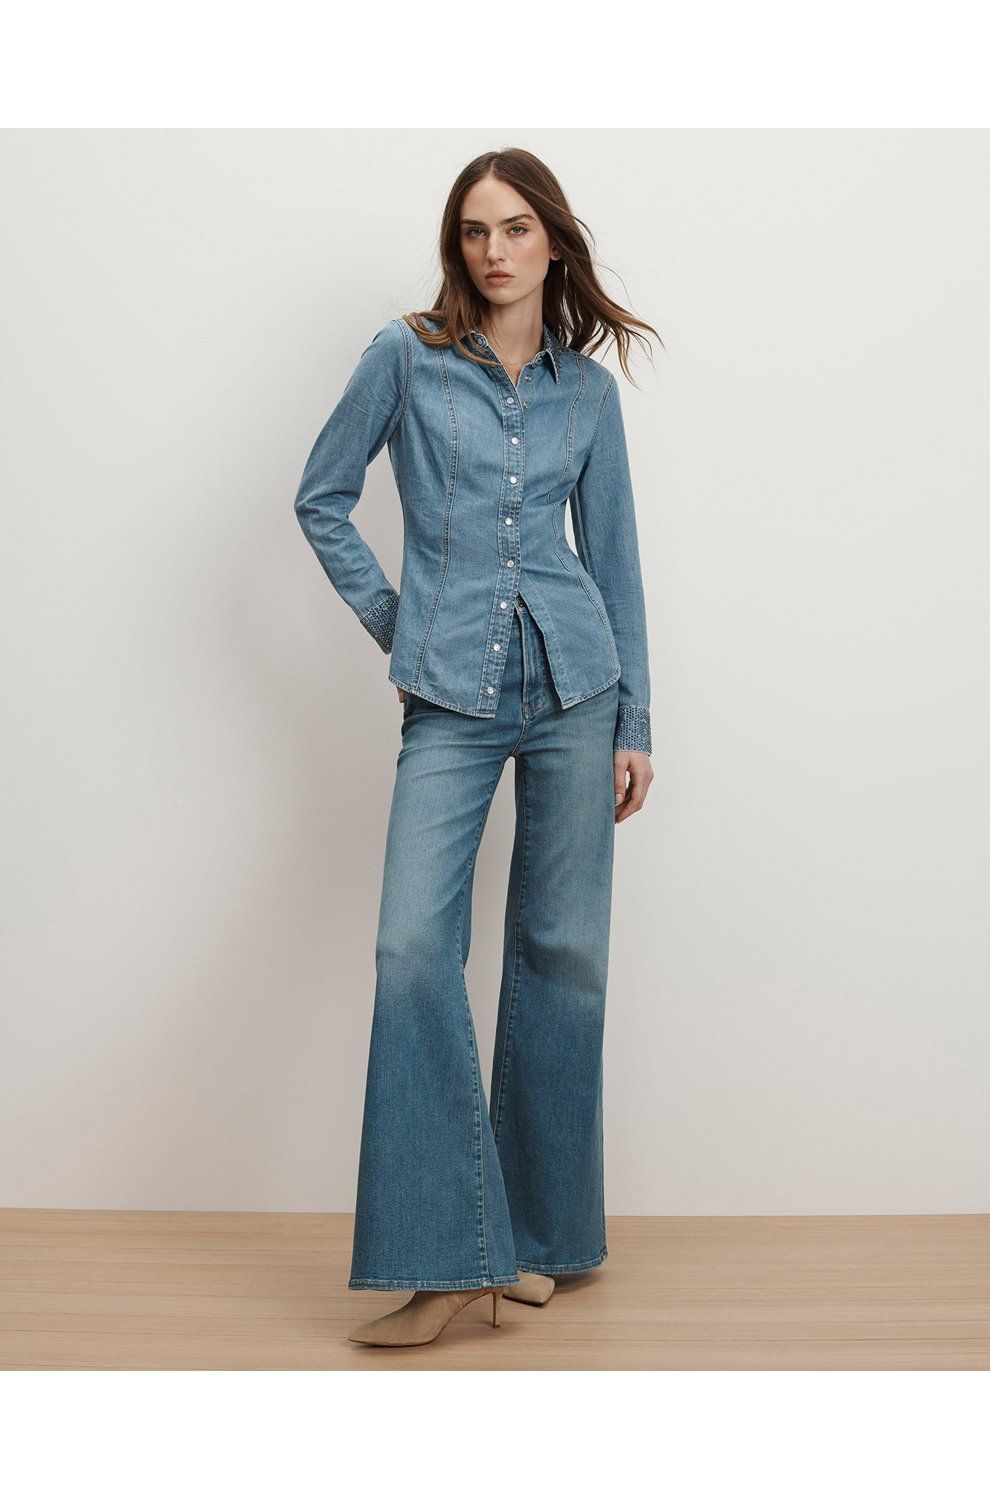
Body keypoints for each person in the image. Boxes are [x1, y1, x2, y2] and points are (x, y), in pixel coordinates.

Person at [294, 147, 660, 1348]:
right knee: (413, 947)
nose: (493, 251)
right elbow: (321, 496)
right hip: (449, 694)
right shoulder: (406, 355)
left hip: (576, 688)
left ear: (553, 241)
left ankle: (538, 1243)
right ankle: (454, 1255)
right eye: (472, 231)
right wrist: (400, 622)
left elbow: (612, 560)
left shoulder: (585, 393)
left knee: (564, 955)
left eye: (514, 228)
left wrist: (635, 723)